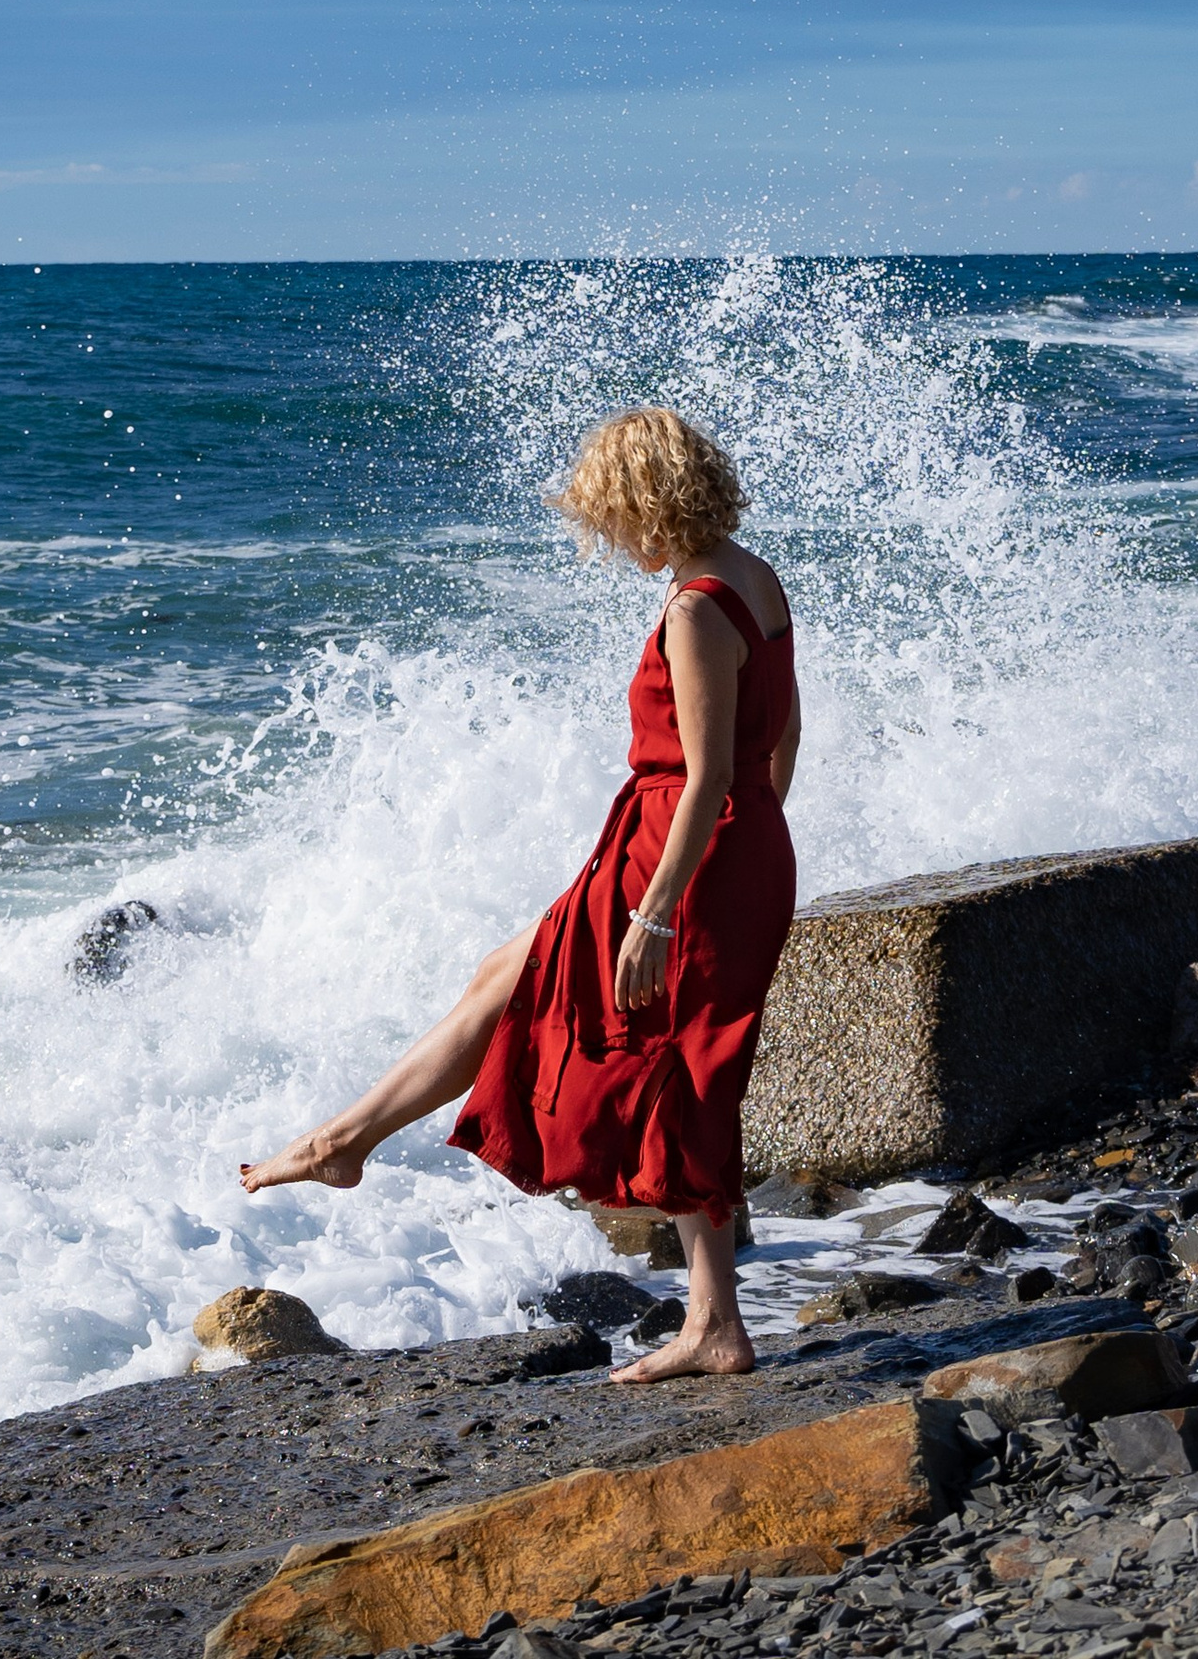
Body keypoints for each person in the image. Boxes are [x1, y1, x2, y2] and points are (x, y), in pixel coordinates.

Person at [241, 407, 801, 1383]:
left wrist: (661, 907)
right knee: (511, 974)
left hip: (679, 852)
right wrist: (752, 840)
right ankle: (346, 1137)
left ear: (643, 503)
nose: (609, 538)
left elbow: (707, 770)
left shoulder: (693, 608)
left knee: (672, 1073)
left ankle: (714, 1322)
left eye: (610, 517)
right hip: (724, 843)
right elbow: (779, 739)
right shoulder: (753, 576)